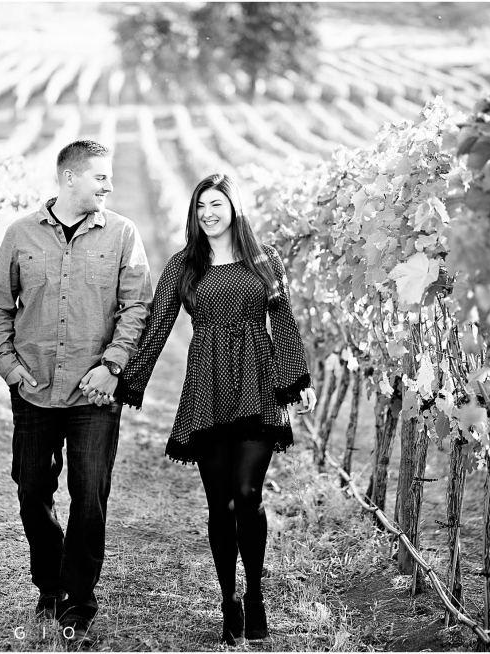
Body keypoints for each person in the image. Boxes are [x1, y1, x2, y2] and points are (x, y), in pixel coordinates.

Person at [117, 173, 317, 645]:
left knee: (248, 495)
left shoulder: (262, 262)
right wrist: (126, 379)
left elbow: (284, 323)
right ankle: (228, 598)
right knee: (220, 504)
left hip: (258, 383)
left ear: (234, 208)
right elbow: (157, 325)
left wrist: (297, 382)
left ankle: (255, 595)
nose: (208, 213)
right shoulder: (184, 266)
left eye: (217, 204)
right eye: (201, 205)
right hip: (207, 387)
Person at [0, 140, 152, 644]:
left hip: (94, 393)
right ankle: (50, 582)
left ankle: (77, 600)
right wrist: (10, 369)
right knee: (32, 490)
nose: (109, 185)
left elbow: (136, 310)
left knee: (90, 496)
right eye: (100, 176)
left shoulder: (123, 235)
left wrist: (112, 367)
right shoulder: (20, 234)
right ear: (70, 178)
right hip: (33, 388)